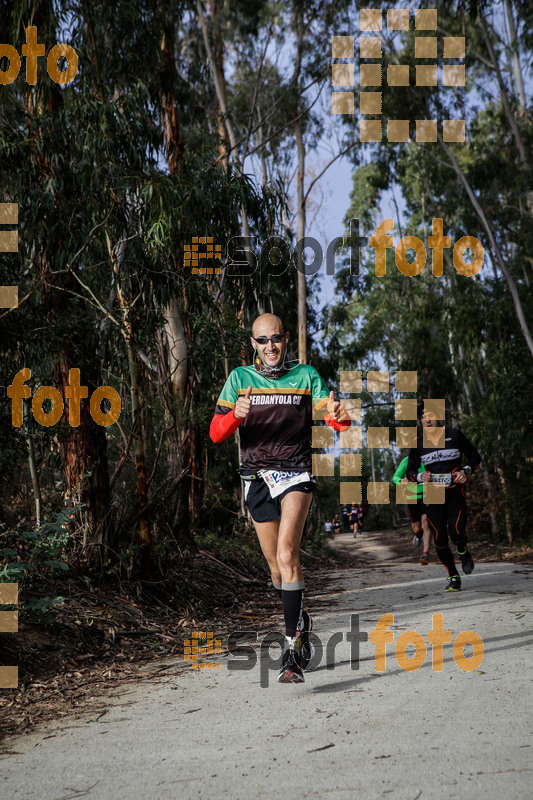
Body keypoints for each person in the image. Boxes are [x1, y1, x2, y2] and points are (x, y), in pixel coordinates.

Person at [209, 313, 350, 682]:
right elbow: (215, 432)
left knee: (289, 554)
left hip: (295, 473)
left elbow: (335, 420)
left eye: (276, 338)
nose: (270, 346)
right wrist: (234, 416)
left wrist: (339, 415)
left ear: (285, 340)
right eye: (262, 340)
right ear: (253, 344)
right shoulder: (239, 378)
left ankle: (291, 652)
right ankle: (300, 618)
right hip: (255, 477)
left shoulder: (306, 376)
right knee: (275, 569)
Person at [406, 405, 481, 591]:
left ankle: (463, 551)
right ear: (420, 421)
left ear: (439, 418)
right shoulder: (418, 443)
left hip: (454, 490)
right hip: (433, 491)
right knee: (439, 538)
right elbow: (410, 470)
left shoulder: (455, 435)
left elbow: (474, 456)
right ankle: (453, 576)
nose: (427, 420)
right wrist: (418, 476)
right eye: (424, 417)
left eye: (431, 416)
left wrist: (466, 470)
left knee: (456, 532)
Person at [392, 455, 432, 564]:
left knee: (426, 522)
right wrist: (401, 481)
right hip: (411, 497)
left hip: (427, 494)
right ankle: (418, 535)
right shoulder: (406, 461)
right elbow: (395, 477)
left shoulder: (428, 458)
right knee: (416, 529)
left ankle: (425, 553)